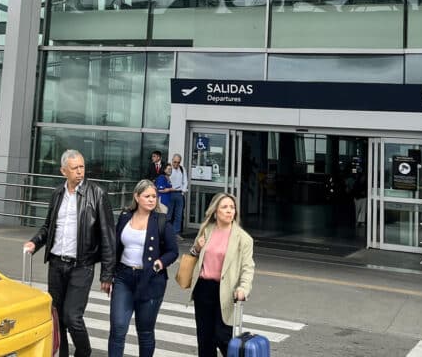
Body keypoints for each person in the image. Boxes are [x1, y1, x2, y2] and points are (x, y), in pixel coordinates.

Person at [24, 149, 116, 357]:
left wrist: (107, 274)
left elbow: (108, 235)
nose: (80, 172)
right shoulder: (57, 194)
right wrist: (34, 243)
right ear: (63, 171)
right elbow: (48, 227)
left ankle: (84, 352)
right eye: (74, 168)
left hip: (81, 266)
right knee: (57, 316)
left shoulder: (97, 194)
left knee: (72, 316)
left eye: (82, 167)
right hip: (56, 264)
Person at [108, 179, 178, 357]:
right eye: (147, 196)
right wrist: (107, 276)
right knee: (118, 328)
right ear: (137, 197)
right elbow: (115, 248)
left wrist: (160, 263)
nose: (151, 199)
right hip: (124, 277)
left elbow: (173, 251)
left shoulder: (162, 221)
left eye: (154, 196)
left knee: (145, 331)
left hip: (151, 280)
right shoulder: (125, 217)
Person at [188, 192, 255, 357]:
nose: (229, 211)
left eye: (232, 207)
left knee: (223, 337)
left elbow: (248, 267)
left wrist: (243, 289)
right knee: (205, 340)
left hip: (225, 291)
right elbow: (194, 254)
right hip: (203, 288)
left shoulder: (243, 239)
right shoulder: (206, 230)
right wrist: (196, 247)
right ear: (215, 211)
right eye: (224, 207)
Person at [168, 153, 189, 238]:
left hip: (179, 194)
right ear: (172, 160)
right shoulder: (168, 169)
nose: (176, 164)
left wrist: (183, 191)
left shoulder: (182, 169)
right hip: (170, 193)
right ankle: (167, 232)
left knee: (178, 215)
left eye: (178, 162)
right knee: (168, 214)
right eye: (175, 162)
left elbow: (185, 181)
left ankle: (176, 233)